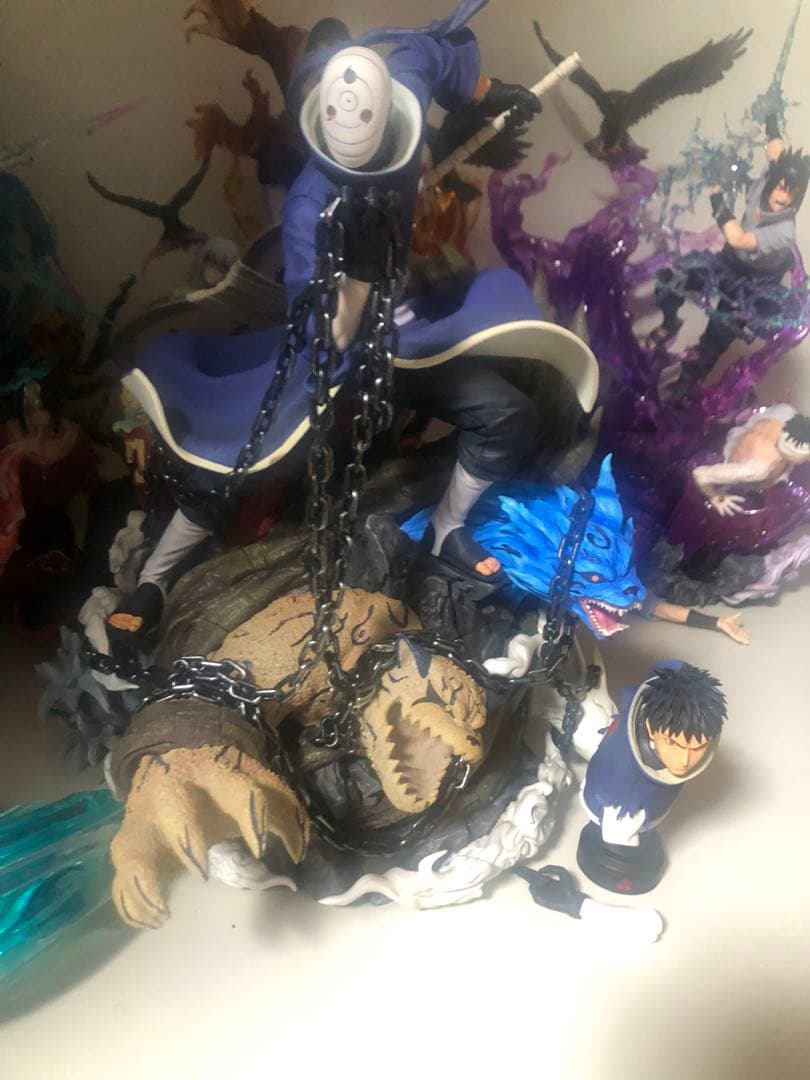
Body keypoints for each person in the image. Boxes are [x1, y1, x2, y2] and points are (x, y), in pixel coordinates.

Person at [108, 3, 598, 642]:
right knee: (238, 451)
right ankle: (156, 577)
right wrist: (356, 281)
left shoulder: (404, 83)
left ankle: (448, 529)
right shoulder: (309, 209)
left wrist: (486, 92)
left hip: (404, 332)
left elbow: (436, 52)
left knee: (508, 414)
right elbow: (323, 332)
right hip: (333, 352)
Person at [649, 114, 810, 400]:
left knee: (716, 337)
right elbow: (775, 149)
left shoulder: (784, 230)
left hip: (753, 287)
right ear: (775, 179)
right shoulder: (770, 177)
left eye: (793, 195)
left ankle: (683, 387)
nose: (784, 198)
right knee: (670, 279)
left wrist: (717, 200)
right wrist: (771, 121)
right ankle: (669, 322)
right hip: (727, 263)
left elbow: (739, 239)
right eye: (782, 187)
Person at [582, 661, 726, 847]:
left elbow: (673, 667)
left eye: (698, 747)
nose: (685, 761)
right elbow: (615, 836)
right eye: (672, 743)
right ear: (649, 728)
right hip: (620, 815)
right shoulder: (622, 784)